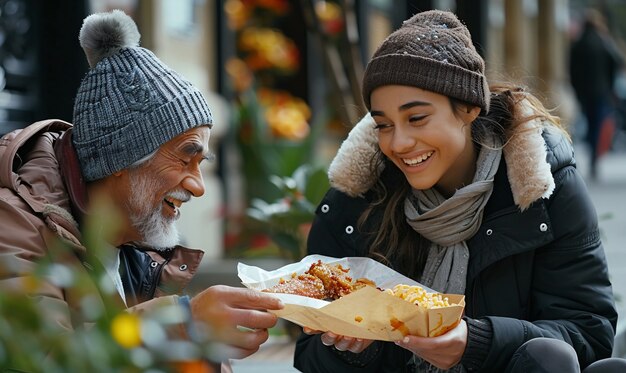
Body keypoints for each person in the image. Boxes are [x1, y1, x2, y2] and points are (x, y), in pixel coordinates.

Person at [294, 10, 626, 373]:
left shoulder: (542, 190)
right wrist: (355, 345)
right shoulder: (355, 203)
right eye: (383, 125)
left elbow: (587, 335)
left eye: (417, 118)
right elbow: (310, 353)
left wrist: (477, 343)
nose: (399, 142)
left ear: (468, 108)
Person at [0, 9, 282, 367]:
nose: (198, 187)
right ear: (119, 158)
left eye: (202, 163)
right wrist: (181, 325)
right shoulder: (12, 225)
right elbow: (44, 359)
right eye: (185, 157)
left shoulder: (140, 233)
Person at [569, 8, 623, 180]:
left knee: (590, 121)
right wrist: (610, 83)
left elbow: (572, 70)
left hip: (584, 91)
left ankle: (592, 151)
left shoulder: (578, 44)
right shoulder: (603, 42)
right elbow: (617, 61)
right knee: (597, 123)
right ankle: (594, 155)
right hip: (601, 91)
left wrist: (576, 88)